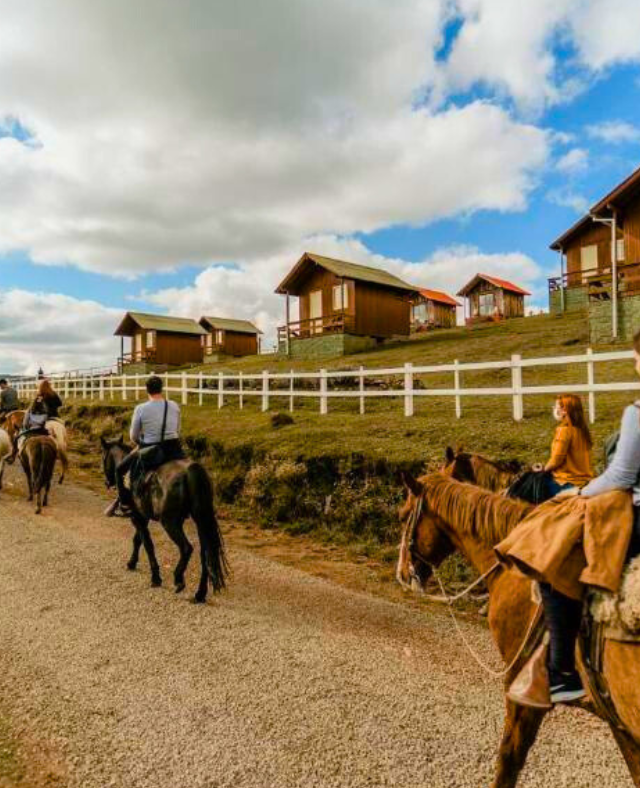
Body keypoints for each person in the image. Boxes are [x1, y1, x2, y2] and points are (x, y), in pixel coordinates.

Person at [538, 337, 640, 705]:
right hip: (586, 476)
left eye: (636, 358)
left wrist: (580, 493)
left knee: (556, 558)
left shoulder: (636, 412)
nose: (635, 364)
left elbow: (621, 475)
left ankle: (562, 672)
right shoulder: (581, 430)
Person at [115, 375, 184, 512]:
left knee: (119, 470)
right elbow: (178, 430)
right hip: (174, 448)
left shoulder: (141, 408)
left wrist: (140, 443)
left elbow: (133, 436)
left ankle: (125, 503)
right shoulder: (174, 405)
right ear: (161, 389)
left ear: (147, 390)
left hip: (151, 449)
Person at [542, 394, 594, 499]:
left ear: (565, 410)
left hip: (566, 481)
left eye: (556, 406)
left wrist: (542, 471)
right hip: (585, 481)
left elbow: (556, 460)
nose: (554, 409)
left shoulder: (564, 431)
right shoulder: (582, 430)